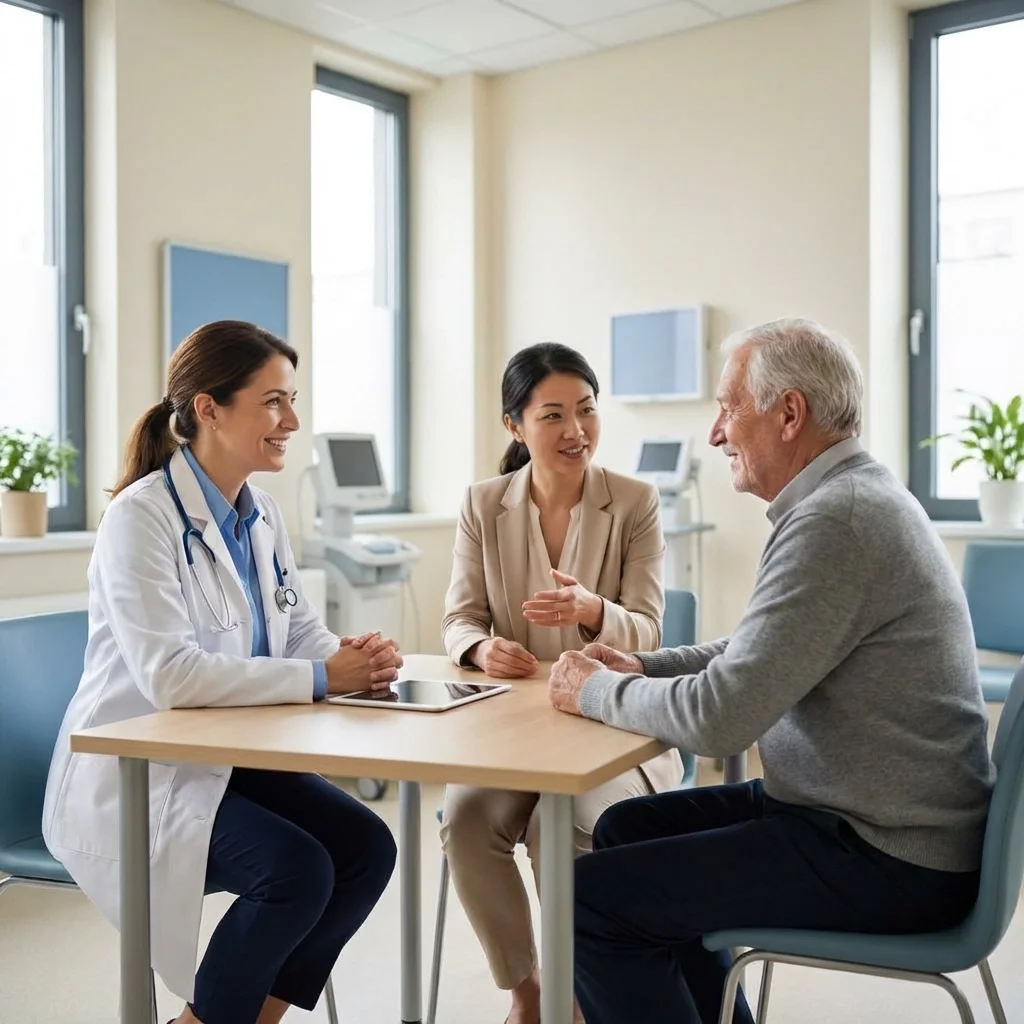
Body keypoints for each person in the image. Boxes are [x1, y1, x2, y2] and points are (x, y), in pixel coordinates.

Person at [546, 317, 994, 1024]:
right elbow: (754, 649)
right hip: (853, 816)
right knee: (625, 831)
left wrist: (596, 690)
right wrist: (642, 663)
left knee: (586, 900)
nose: (717, 434)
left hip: (887, 854)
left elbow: (721, 720)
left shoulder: (836, 521)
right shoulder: (846, 498)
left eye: (728, 409)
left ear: (789, 414)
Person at [42, 321, 402, 1024]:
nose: (291, 420)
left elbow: (295, 631)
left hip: (229, 757)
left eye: (291, 400)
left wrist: (352, 657)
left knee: (367, 848)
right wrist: (328, 676)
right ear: (208, 408)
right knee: (297, 873)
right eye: (272, 401)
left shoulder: (260, 513)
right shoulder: (138, 518)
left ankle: (240, 1019)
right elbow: (171, 677)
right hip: (141, 773)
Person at [441, 342, 681, 1024]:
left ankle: (581, 993)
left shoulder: (634, 501)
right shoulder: (482, 504)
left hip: (615, 728)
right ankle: (530, 992)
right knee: (464, 818)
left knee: (564, 818)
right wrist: (483, 648)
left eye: (587, 410)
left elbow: (651, 632)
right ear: (514, 425)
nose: (576, 430)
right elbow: (458, 619)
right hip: (517, 734)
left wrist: (592, 612)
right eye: (553, 415)